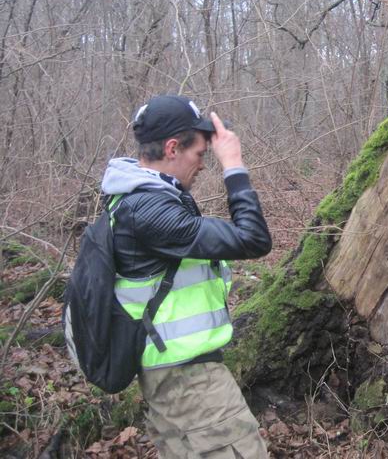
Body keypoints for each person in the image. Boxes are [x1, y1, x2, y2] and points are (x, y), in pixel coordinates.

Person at [100, 94, 272, 458]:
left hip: (175, 373)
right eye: (199, 154)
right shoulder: (148, 209)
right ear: (173, 148)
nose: (203, 165)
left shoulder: (139, 198)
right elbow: (252, 239)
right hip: (189, 382)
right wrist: (234, 166)